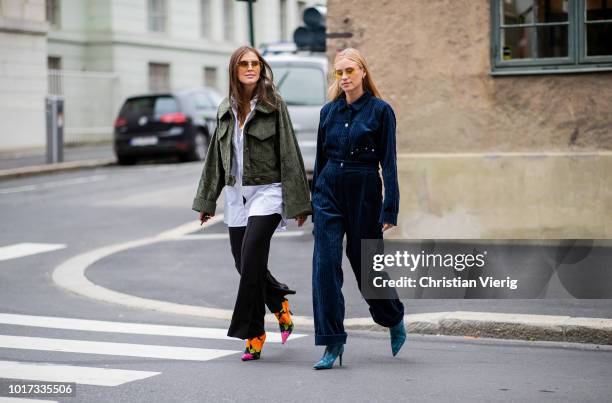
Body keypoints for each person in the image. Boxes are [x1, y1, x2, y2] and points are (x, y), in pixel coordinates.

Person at [192, 45, 311, 361]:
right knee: (244, 263)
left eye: (254, 63)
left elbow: (289, 151)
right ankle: (278, 303)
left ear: (261, 68)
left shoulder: (274, 105)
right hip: (236, 195)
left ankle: (253, 332)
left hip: (267, 192)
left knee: (252, 251)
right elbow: (215, 159)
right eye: (243, 64)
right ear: (234, 69)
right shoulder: (225, 109)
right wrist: (208, 199)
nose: (250, 68)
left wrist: (299, 202)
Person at [311, 48, 406, 369]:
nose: (345, 77)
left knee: (366, 264)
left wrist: (389, 209)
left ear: (363, 72)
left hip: (365, 190)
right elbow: (319, 161)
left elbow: (389, 164)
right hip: (329, 190)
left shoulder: (381, 111)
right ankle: (332, 343)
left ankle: (392, 317)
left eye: (350, 70)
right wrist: (313, 202)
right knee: (324, 265)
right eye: (340, 72)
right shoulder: (328, 112)